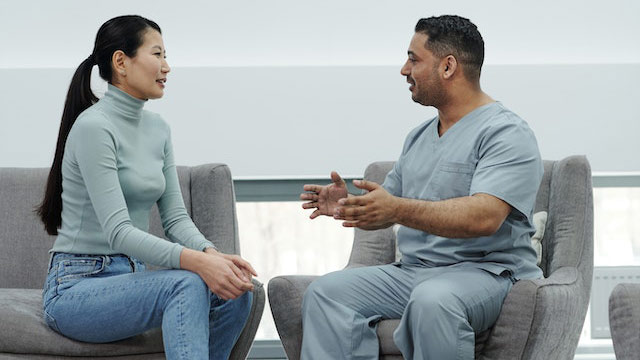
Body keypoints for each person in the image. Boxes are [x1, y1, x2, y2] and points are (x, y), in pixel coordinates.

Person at [299, 15, 543, 359]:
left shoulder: (506, 133)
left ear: (448, 67)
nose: (404, 69)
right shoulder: (418, 137)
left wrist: (396, 209)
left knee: (433, 301)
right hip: (415, 272)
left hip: (486, 272)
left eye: (413, 59)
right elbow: (388, 203)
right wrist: (351, 205)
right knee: (326, 293)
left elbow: (484, 217)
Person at [37, 15, 256, 360]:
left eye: (166, 55)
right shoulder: (94, 128)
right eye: (157, 54)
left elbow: (176, 219)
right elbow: (119, 232)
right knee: (185, 282)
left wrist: (212, 256)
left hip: (133, 281)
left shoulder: (158, 128)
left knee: (239, 291)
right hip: (77, 288)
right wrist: (196, 263)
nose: (166, 67)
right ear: (121, 62)